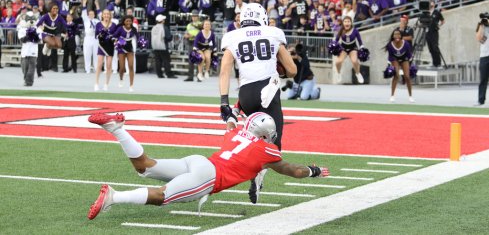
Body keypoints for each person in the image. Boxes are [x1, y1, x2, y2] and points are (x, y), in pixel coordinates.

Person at [86, 111, 329, 220]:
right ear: (266, 133)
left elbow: (231, 125)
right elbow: (295, 171)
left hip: (199, 161)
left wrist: (232, 113)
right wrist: (314, 170)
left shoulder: (235, 135)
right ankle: (113, 197)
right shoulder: (266, 150)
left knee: (145, 166)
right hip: (209, 177)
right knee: (162, 196)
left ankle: (116, 129)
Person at [219, 3, 297, 204]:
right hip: (268, 91)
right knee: (273, 147)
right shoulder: (273, 33)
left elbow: (225, 70)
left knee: (252, 139)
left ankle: (253, 171)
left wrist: (224, 101)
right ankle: (258, 174)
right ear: (262, 17)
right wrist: (281, 68)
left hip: (245, 94)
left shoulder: (233, 36)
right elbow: (292, 70)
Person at [385, 29, 415, 103]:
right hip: (395, 59)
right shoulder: (390, 45)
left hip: (405, 59)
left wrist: (410, 65)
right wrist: (390, 67)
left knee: (407, 76)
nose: (397, 36)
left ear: (401, 36)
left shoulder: (406, 44)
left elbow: (409, 55)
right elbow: (390, 56)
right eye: (395, 34)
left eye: (398, 34)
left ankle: (410, 96)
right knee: (396, 75)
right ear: (393, 36)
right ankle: (392, 96)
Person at [334, 16, 365, 84]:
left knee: (354, 61)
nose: (347, 23)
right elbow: (336, 40)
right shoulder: (341, 30)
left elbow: (359, 40)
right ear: (343, 23)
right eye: (345, 21)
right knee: (338, 62)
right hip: (343, 48)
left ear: (351, 23)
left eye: (348, 21)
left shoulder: (355, 30)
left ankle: (358, 73)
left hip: (353, 48)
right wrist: (334, 46)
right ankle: (338, 74)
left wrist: (362, 47)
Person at [112, 15, 138, 92]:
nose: (128, 22)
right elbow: (114, 36)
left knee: (131, 66)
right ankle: (121, 79)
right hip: (121, 47)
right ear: (124, 22)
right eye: (127, 21)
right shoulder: (120, 28)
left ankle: (131, 85)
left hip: (130, 48)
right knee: (122, 67)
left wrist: (140, 42)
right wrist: (116, 42)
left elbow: (138, 38)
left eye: (130, 21)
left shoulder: (133, 29)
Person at [94, 10, 117, 91]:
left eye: (108, 14)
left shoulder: (114, 25)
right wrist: (100, 35)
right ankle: (96, 83)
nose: (106, 15)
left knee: (109, 65)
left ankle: (106, 84)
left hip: (110, 46)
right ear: (102, 15)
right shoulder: (98, 24)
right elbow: (96, 36)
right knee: (99, 64)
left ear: (110, 15)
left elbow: (116, 36)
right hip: (102, 46)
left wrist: (115, 40)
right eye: (105, 14)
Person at [151, 15, 176, 79]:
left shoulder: (153, 27)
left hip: (155, 46)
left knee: (158, 60)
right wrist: (171, 37)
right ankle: (169, 74)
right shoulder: (164, 27)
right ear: (162, 21)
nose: (164, 21)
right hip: (162, 46)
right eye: (163, 20)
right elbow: (168, 37)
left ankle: (159, 74)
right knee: (166, 60)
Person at [18, 11, 40, 86]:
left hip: (33, 51)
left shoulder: (37, 29)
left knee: (31, 69)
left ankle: (29, 82)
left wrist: (34, 36)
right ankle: (25, 79)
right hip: (24, 52)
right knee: (24, 68)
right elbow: (22, 40)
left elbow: (39, 40)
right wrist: (28, 35)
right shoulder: (22, 29)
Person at [81, 0, 99, 73]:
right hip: (88, 38)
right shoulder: (86, 20)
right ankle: (87, 69)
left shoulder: (97, 21)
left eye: (92, 14)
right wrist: (84, 4)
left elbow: (101, 16)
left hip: (95, 38)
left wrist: (97, 5)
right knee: (87, 54)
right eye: (90, 14)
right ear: (88, 15)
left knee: (96, 54)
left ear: (94, 15)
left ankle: (96, 69)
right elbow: (83, 13)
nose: (91, 15)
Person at [183, 10, 202, 82]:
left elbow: (202, 34)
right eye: (193, 16)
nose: (194, 17)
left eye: (195, 16)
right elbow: (186, 33)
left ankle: (199, 77)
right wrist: (186, 35)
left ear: (198, 17)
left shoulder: (201, 24)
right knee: (191, 60)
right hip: (190, 42)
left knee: (198, 60)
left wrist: (193, 35)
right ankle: (190, 76)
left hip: (198, 43)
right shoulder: (189, 25)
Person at [426, 2, 445, 68]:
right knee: (430, 48)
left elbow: (443, 20)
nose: (430, 4)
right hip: (427, 32)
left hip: (434, 32)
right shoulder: (426, 12)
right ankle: (434, 63)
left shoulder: (437, 12)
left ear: (434, 4)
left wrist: (439, 25)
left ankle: (438, 63)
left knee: (435, 47)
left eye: (432, 3)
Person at [475, 16, 489, 106]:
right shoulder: (482, 27)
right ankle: (481, 100)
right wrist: (481, 25)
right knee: (483, 79)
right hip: (484, 56)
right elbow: (479, 38)